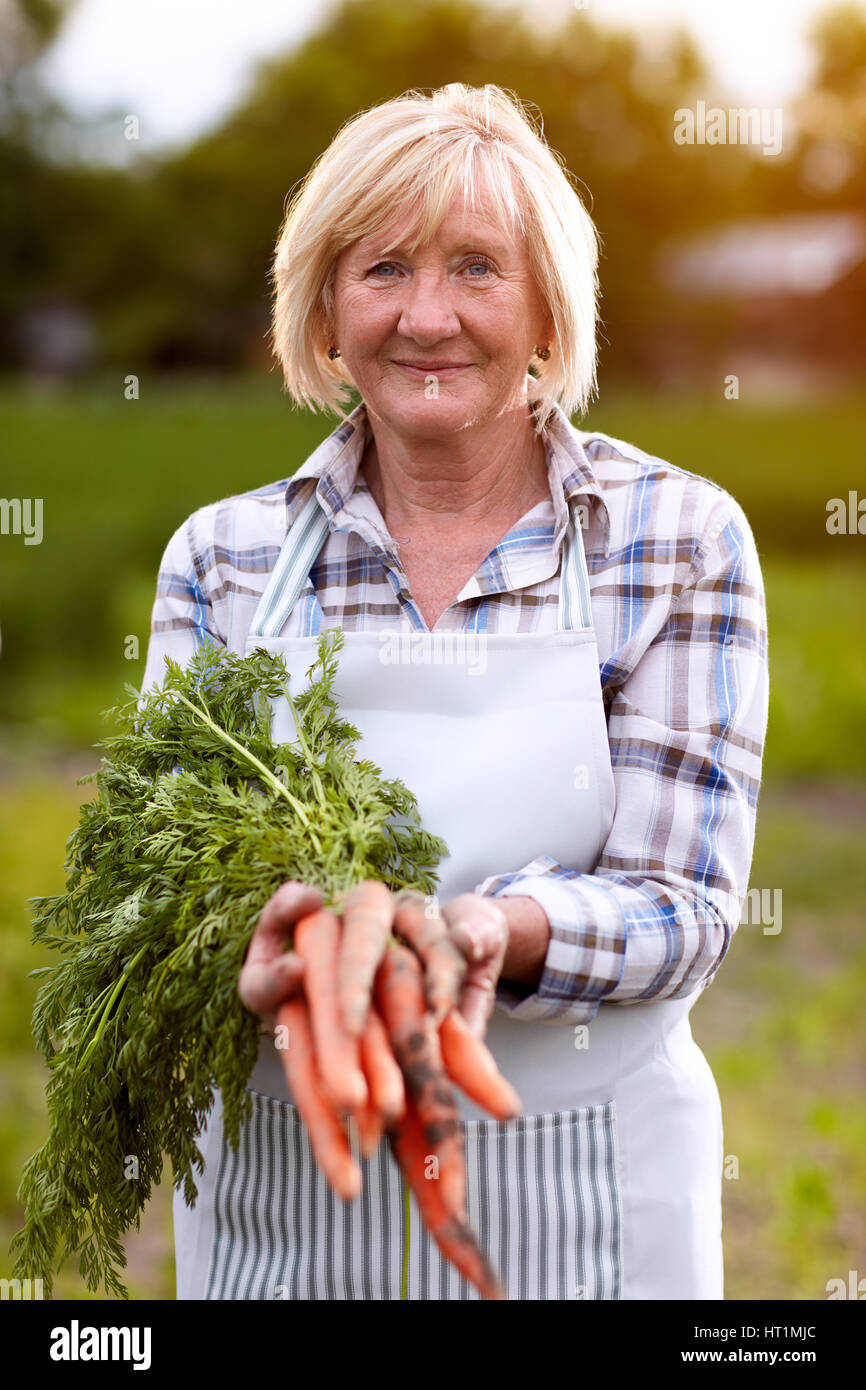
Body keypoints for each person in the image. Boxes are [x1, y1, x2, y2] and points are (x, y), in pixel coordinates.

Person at [142, 82, 769, 1300]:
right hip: (288, 1196)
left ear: (545, 306)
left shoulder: (672, 535)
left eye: (477, 267)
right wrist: (264, 950)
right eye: (381, 269)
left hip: (585, 1198)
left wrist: (485, 930)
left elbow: (681, 903)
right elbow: (159, 896)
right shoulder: (222, 559)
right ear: (324, 309)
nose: (426, 317)